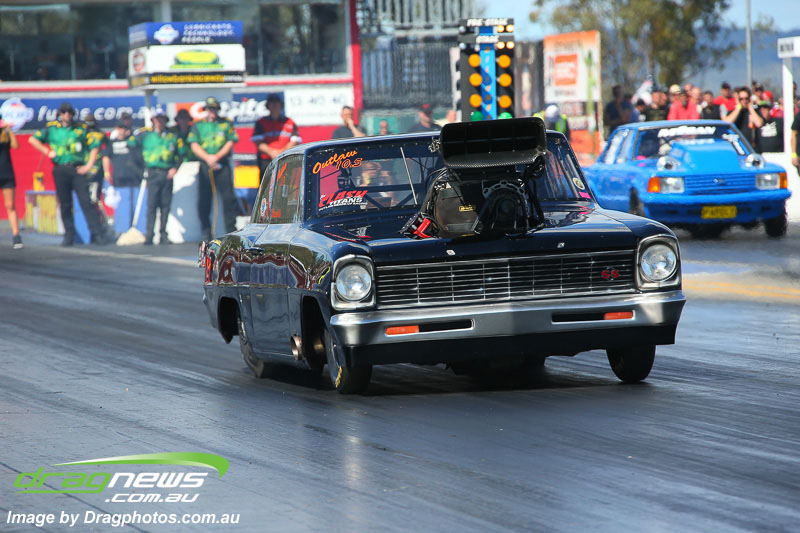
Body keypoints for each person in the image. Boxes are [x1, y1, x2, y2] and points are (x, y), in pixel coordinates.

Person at [29, 102, 108, 246]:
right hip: (60, 168)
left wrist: (88, 166)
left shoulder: (80, 129)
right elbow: (33, 139)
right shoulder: (52, 128)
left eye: (70, 112)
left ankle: (97, 234)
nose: (67, 115)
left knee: (86, 201)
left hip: (77, 168)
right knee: (65, 204)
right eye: (64, 112)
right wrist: (47, 152)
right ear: (60, 114)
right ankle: (69, 235)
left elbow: (95, 146)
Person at [188, 97, 239, 241]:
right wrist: (208, 158)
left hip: (222, 162)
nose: (212, 111)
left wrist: (217, 156)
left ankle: (231, 230)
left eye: (215, 108)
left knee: (229, 198)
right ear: (206, 109)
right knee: (204, 199)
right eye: (210, 108)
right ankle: (206, 231)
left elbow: (231, 141)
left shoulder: (225, 123)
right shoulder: (198, 125)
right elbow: (194, 144)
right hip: (206, 164)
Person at [128, 107, 181, 244]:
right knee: (151, 205)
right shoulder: (145, 134)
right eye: (157, 119)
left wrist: (175, 168)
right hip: (152, 172)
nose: (159, 122)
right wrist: (140, 166)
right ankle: (149, 235)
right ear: (153, 120)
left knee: (165, 205)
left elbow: (181, 153)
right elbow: (131, 144)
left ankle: (163, 234)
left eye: (162, 119)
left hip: (166, 172)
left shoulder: (172, 135)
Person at [252, 94, 299, 184]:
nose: (275, 106)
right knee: (266, 186)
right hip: (266, 160)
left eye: (277, 103)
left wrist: (282, 153)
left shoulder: (289, 122)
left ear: (281, 105)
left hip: (286, 159)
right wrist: (272, 152)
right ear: (268, 106)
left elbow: (295, 140)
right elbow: (258, 141)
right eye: (272, 103)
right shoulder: (261, 122)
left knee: (286, 185)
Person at [0, 120, 22, 248]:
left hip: (6, 174)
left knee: (10, 205)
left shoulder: (5, 136)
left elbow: (16, 146)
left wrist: (9, 130)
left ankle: (16, 235)